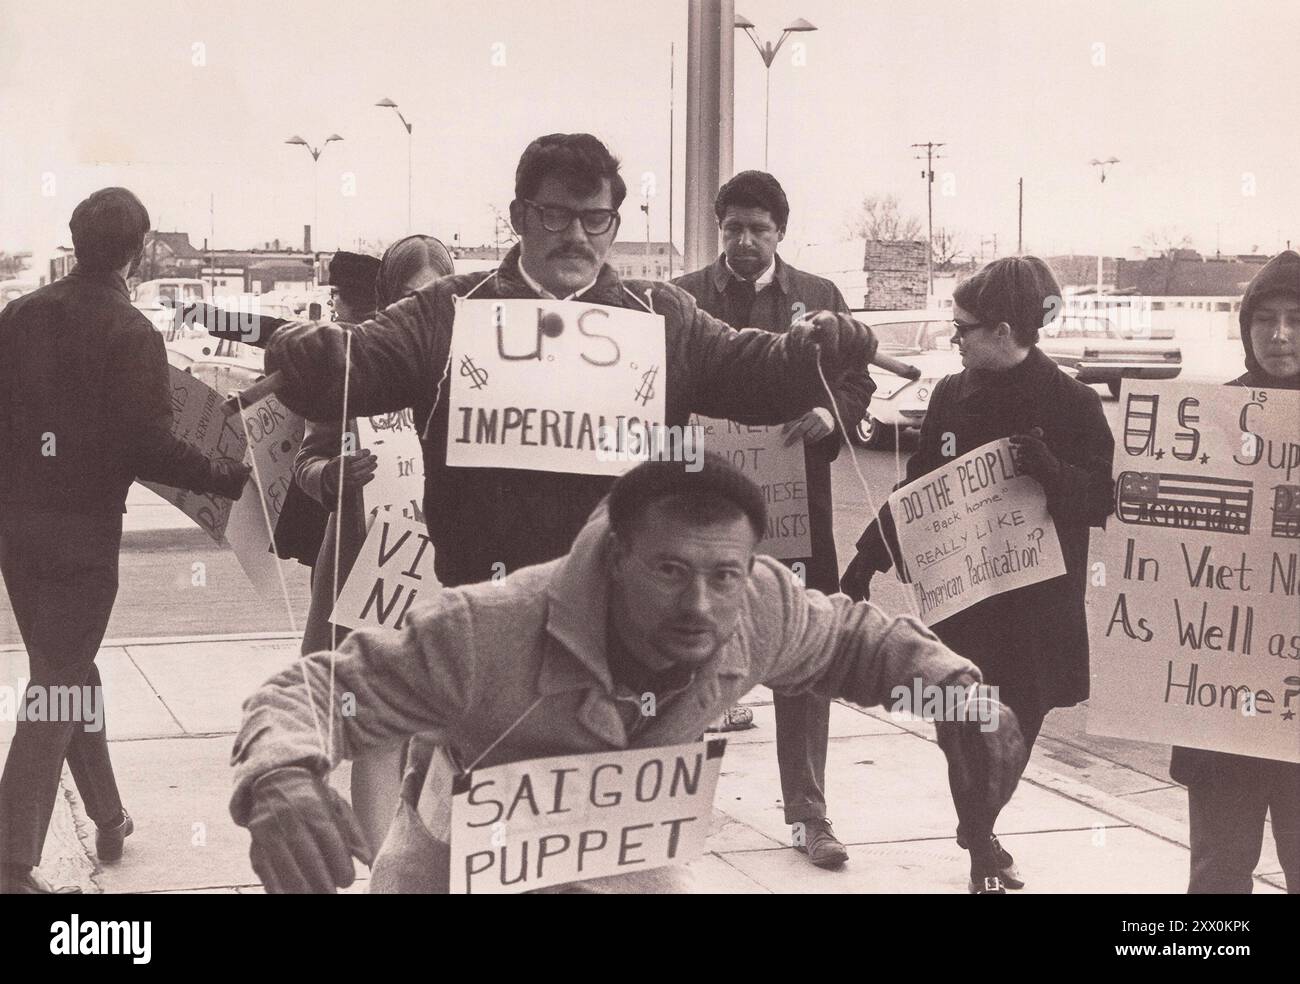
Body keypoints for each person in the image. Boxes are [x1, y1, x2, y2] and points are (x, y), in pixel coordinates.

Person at [260, 133, 879, 831]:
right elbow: (358, 363)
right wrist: (303, 350)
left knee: (613, 863)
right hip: (489, 640)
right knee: (464, 846)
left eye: (596, 219)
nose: (577, 235)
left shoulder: (661, 318)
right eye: (556, 216)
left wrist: (816, 349)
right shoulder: (449, 314)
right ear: (520, 217)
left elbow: (756, 371)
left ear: (615, 223)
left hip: (629, 653)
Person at [229, 454, 1026, 893]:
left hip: (623, 859)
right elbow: (309, 691)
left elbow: (857, 641)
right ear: (616, 559)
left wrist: (955, 689)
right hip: (455, 862)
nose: (703, 606)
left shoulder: (762, 605)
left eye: (725, 575)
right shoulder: (486, 628)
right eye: (670, 572)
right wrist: (281, 779)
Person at [0, 187, 251, 894]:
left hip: (17, 530)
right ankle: (11, 862)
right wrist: (227, 476)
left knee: (68, 667)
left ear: (74, 241)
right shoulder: (130, 332)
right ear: (138, 252)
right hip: (83, 535)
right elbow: (149, 447)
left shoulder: (17, 316)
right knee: (56, 684)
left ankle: (109, 816)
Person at [841, 256, 1115, 893]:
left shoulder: (1071, 402)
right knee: (961, 731)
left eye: (962, 328)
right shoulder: (949, 394)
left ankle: (978, 827)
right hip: (963, 606)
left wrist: (1050, 469)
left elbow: (1100, 501)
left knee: (1015, 730)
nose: (953, 338)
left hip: (1038, 606)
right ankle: (979, 844)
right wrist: (867, 557)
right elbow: (920, 494)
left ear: (1004, 330)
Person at [672, 170, 866, 869]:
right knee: (682, 655)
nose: (745, 240)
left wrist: (831, 412)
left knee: (805, 652)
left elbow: (856, 378)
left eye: (758, 228)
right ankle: (668, 810)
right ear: (718, 229)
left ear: (780, 231)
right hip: (698, 512)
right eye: (733, 228)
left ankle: (810, 814)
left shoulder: (820, 300)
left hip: (794, 511)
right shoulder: (683, 299)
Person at [292, 239, 455, 854]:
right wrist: (332, 474)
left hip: (449, 570)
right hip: (372, 566)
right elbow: (308, 461)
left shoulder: (472, 367)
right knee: (378, 729)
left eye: (437, 296)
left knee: (438, 735)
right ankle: (387, 871)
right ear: (390, 300)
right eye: (412, 297)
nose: (425, 310)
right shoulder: (359, 365)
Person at [1170, 249, 1300, 894]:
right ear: (1245, 328)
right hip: (1223, 695)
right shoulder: (1205, 421)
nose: (1280, 335)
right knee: (1220, 870)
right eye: (1265, 320)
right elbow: (1162, 552)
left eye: (1296, 319)